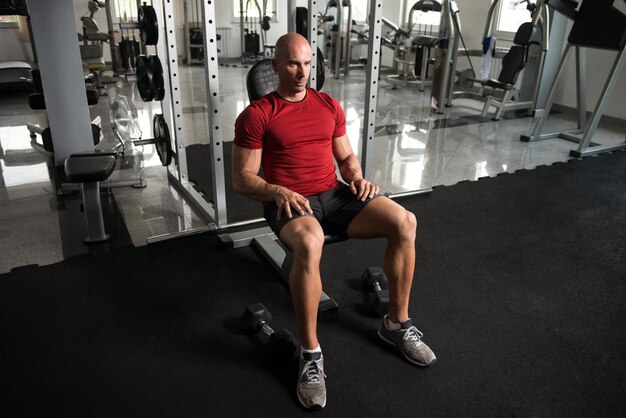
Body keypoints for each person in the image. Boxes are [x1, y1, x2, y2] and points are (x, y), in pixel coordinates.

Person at [232, 32, 436, 410]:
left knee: (405, 221)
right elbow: (242, 178)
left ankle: (396, 326)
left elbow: (345, 158)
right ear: (275, 66)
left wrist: (357, 176)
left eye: (307, 63)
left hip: (335, 195)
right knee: (310, 242)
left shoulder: (328, 105)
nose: (301, 72)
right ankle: (311, 355)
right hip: (291, 203)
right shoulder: (257, 115)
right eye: (293, 63)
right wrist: (277, 192)